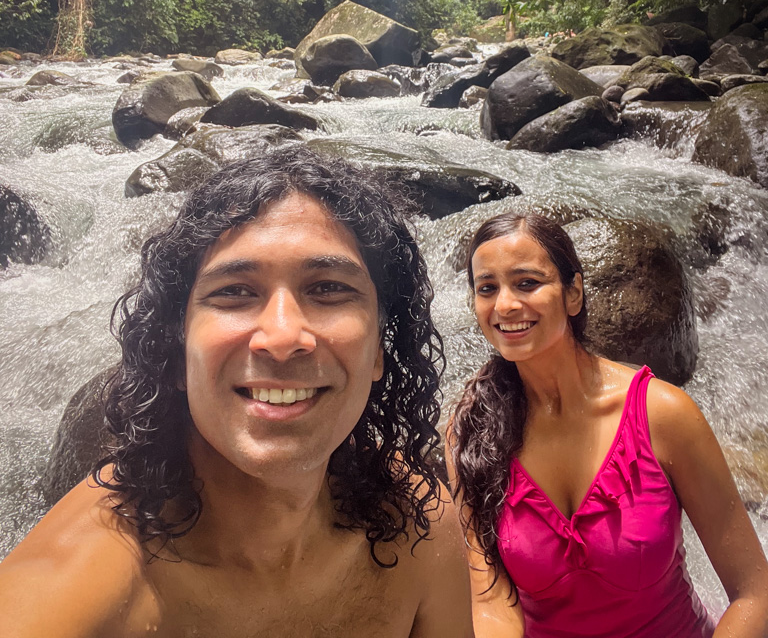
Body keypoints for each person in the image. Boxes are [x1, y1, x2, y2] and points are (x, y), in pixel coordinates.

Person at [0, 148, 472, 637]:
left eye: (328, 288)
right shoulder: (82, 588)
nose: (284, 336)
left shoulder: (415, 521)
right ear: (177, 350)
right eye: (234, 292)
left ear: (379, 349)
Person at [448, 210, 768, 638]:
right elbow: (490, 600)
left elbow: (755, 591)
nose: (504, 304)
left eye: (527, 283)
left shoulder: (663, 414)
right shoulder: (472, 432)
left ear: (573, 294)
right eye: (487, 288)